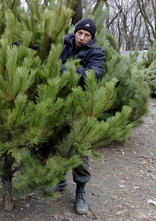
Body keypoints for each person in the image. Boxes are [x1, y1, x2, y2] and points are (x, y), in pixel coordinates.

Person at [53, 18, 106, 215]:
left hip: (81, 106)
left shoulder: (96, 53)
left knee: (80, 150)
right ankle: (59, 179)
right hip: (59, 102)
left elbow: (93, 74)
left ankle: (81, 191)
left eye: (87, 35)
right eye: (80, 33)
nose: (82, 38)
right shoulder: (65, 43)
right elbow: (45, 51)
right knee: (58, 142)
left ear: (92, 38)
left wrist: (63, 70)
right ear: (75, 32)